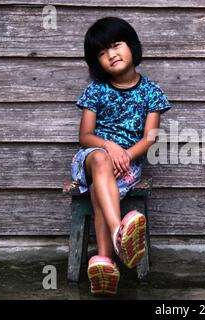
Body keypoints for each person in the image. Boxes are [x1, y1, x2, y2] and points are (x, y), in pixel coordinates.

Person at [71, 17, 171, 295]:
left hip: (127, 163)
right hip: (92, 157)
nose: (111, 55)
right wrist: (110, 147)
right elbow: (85, 136)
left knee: (103, 189)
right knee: (101, 161)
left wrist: (124, 156)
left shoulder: (151, 92)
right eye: (102, 53)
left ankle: (105, 261)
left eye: (115, 45)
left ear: (132, 46)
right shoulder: (96, 91)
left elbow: (150, 139)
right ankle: (120, 233)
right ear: (96, 63)